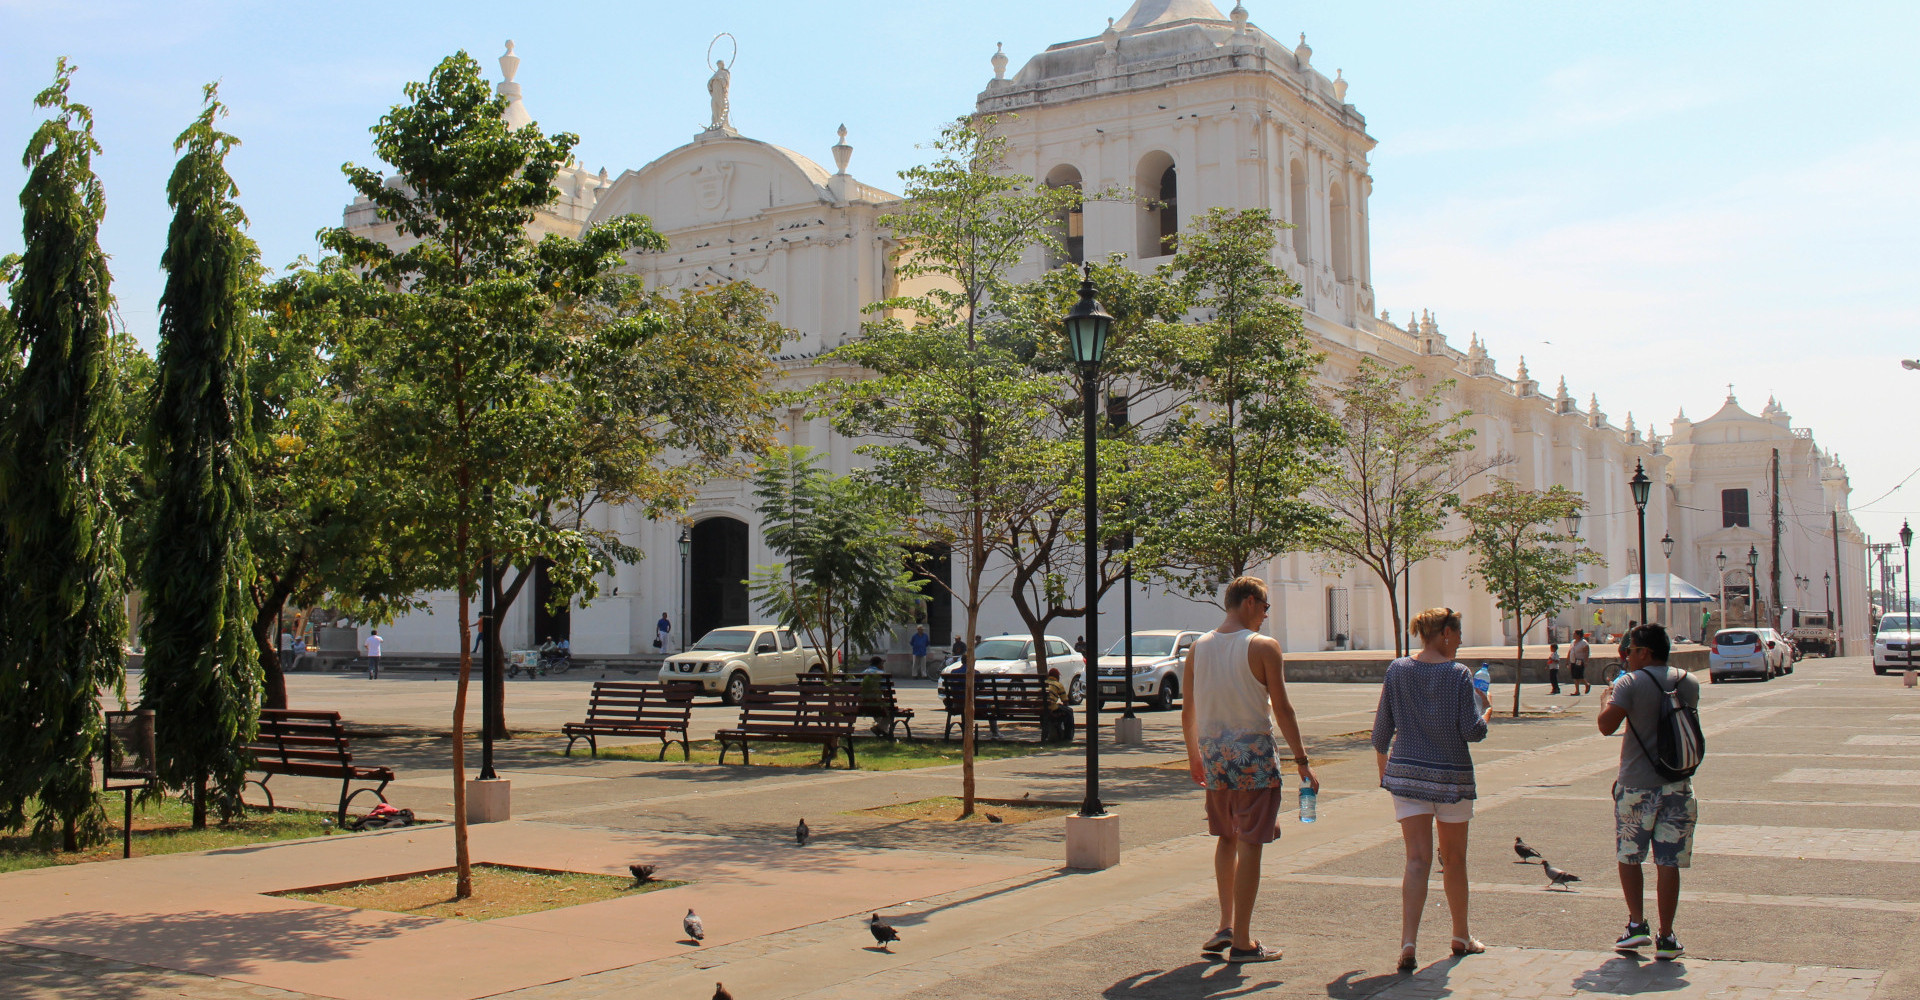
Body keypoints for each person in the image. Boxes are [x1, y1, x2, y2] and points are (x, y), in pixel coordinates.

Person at [1181, 576, 1316, 964]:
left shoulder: (1198, 648)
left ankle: (1226, 923)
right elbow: (1284, 708)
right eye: (1265, 607)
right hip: (1253, 756)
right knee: (1251, 841)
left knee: (1226, 837)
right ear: (1250, 602)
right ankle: (1242, 939)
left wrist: (1194, 755)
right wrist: (1302, 761)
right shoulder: (1262, 647)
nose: (1266, 616)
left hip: (1214, 755)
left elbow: (1188, 711)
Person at [1372, 607, 1492, 973]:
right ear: (1444, 634)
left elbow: (1380, 732)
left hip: (1406, 776)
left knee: (1416, 860)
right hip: (1450, 777)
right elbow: (1472, 731)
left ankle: (1408, 943)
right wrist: (1486, 710)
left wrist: (1386, 776)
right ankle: (1460, 935)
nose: (1460, 641)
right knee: (1454, 860)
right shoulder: (1458, 675)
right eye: (1457, 634)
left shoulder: (1397, 670)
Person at [1597, 623, 1698, 961]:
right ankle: (1667, 937)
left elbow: (1606, 726)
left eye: (1630, 650)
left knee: (1630, 855)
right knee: (1668, 861)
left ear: (1644, 652)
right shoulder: (1688, 682)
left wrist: (1606, 697)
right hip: (1678, 784)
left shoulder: (1629, 683)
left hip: (1637, 786)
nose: (1626, 656)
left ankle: (1636, 925)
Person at [1569, 630, 1591, 695]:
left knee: (1579, 676)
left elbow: (1587, 652)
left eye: (1574, 634)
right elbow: (1570, 651)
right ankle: (1577, 691)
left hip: (1580, 661)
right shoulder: (1573, 642)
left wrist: (1586, 661)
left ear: (1578, 635)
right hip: (1573, 661)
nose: (1573, 635)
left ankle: (1587, 684)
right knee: (1574, 676)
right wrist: (1568, 661)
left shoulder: (1583, 643)